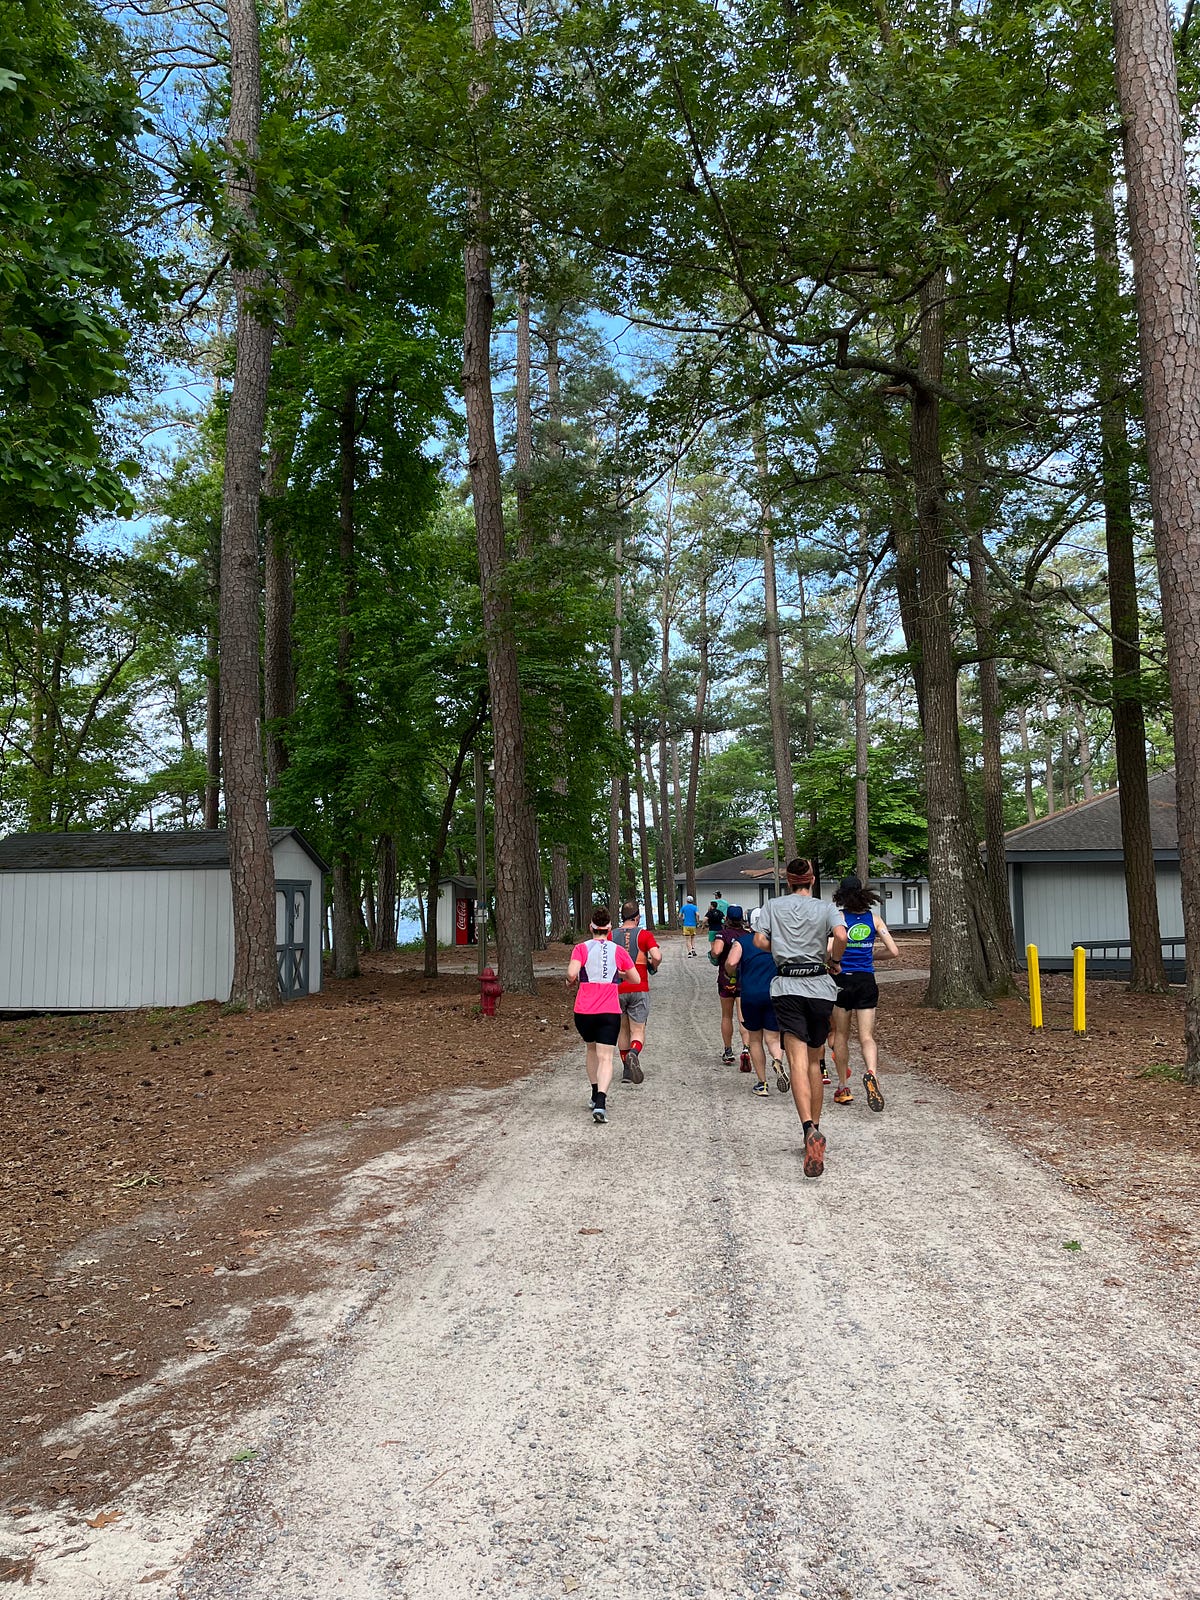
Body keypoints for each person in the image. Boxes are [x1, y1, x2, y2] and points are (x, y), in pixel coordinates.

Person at [755, 858, 848, 1179]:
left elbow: (759, 941)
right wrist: (833, 960)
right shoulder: (826, 909)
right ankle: (818, 1127)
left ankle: (807, 1128)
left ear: (788, 879)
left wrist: (782, 946)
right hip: (821, 988)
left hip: (787, 986)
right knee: (814, 1063)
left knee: (796, 1063)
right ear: (811, 879)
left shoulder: (773, 906)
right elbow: (841, 936)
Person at [829, 874, 900, 1112]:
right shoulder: (875, 919)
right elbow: (894, 951)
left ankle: (843, 1087)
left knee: (841, 1035)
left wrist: (832, 961)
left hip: (843, 980)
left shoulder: (839, 919)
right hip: (867, 980)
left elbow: (829, 948)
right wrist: (871, 955)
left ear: (842, 895)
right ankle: (872, 1074)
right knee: (867, 1037)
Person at [567, 904, 636, 1124]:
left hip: (584, 1010)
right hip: (609, 1010)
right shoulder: (618, 951)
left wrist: (572, 979)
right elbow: (635, 979)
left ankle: (594, 1092)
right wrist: (620, 974)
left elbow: (571, 973)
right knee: (606, 1056)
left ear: (591, 927)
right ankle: (601, 1103)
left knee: (590, 1049)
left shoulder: (581, 948)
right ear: (610, 928)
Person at [721, 905, 789, 1097]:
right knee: (773, 1038)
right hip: (774, 993)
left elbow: (732, 963)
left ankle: (762, 1083)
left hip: (750, 995)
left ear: (749, 922)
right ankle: (777, 1060)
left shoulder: (742, 942)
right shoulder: (776, 942)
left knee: (755, 1039)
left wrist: (730, 974)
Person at [614, 900, 662, 1083]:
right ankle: (634, 1053)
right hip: (639, 986)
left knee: (623, 1030)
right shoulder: (644, 935)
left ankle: (627, 1071)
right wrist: (652, 966)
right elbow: (657, 956)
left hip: (617, 988)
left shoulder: (611, 935)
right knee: (638, 1029)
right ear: (637, 918)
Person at [711, 906, 752, 1067]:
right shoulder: (747, 935)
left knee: (726, 1016)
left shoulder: (723, 934)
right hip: (744, 980)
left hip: (726, 979)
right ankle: (746, 1048)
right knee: (743, 1016)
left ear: (727, 918)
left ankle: (728, 1051)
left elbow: (716, 951)